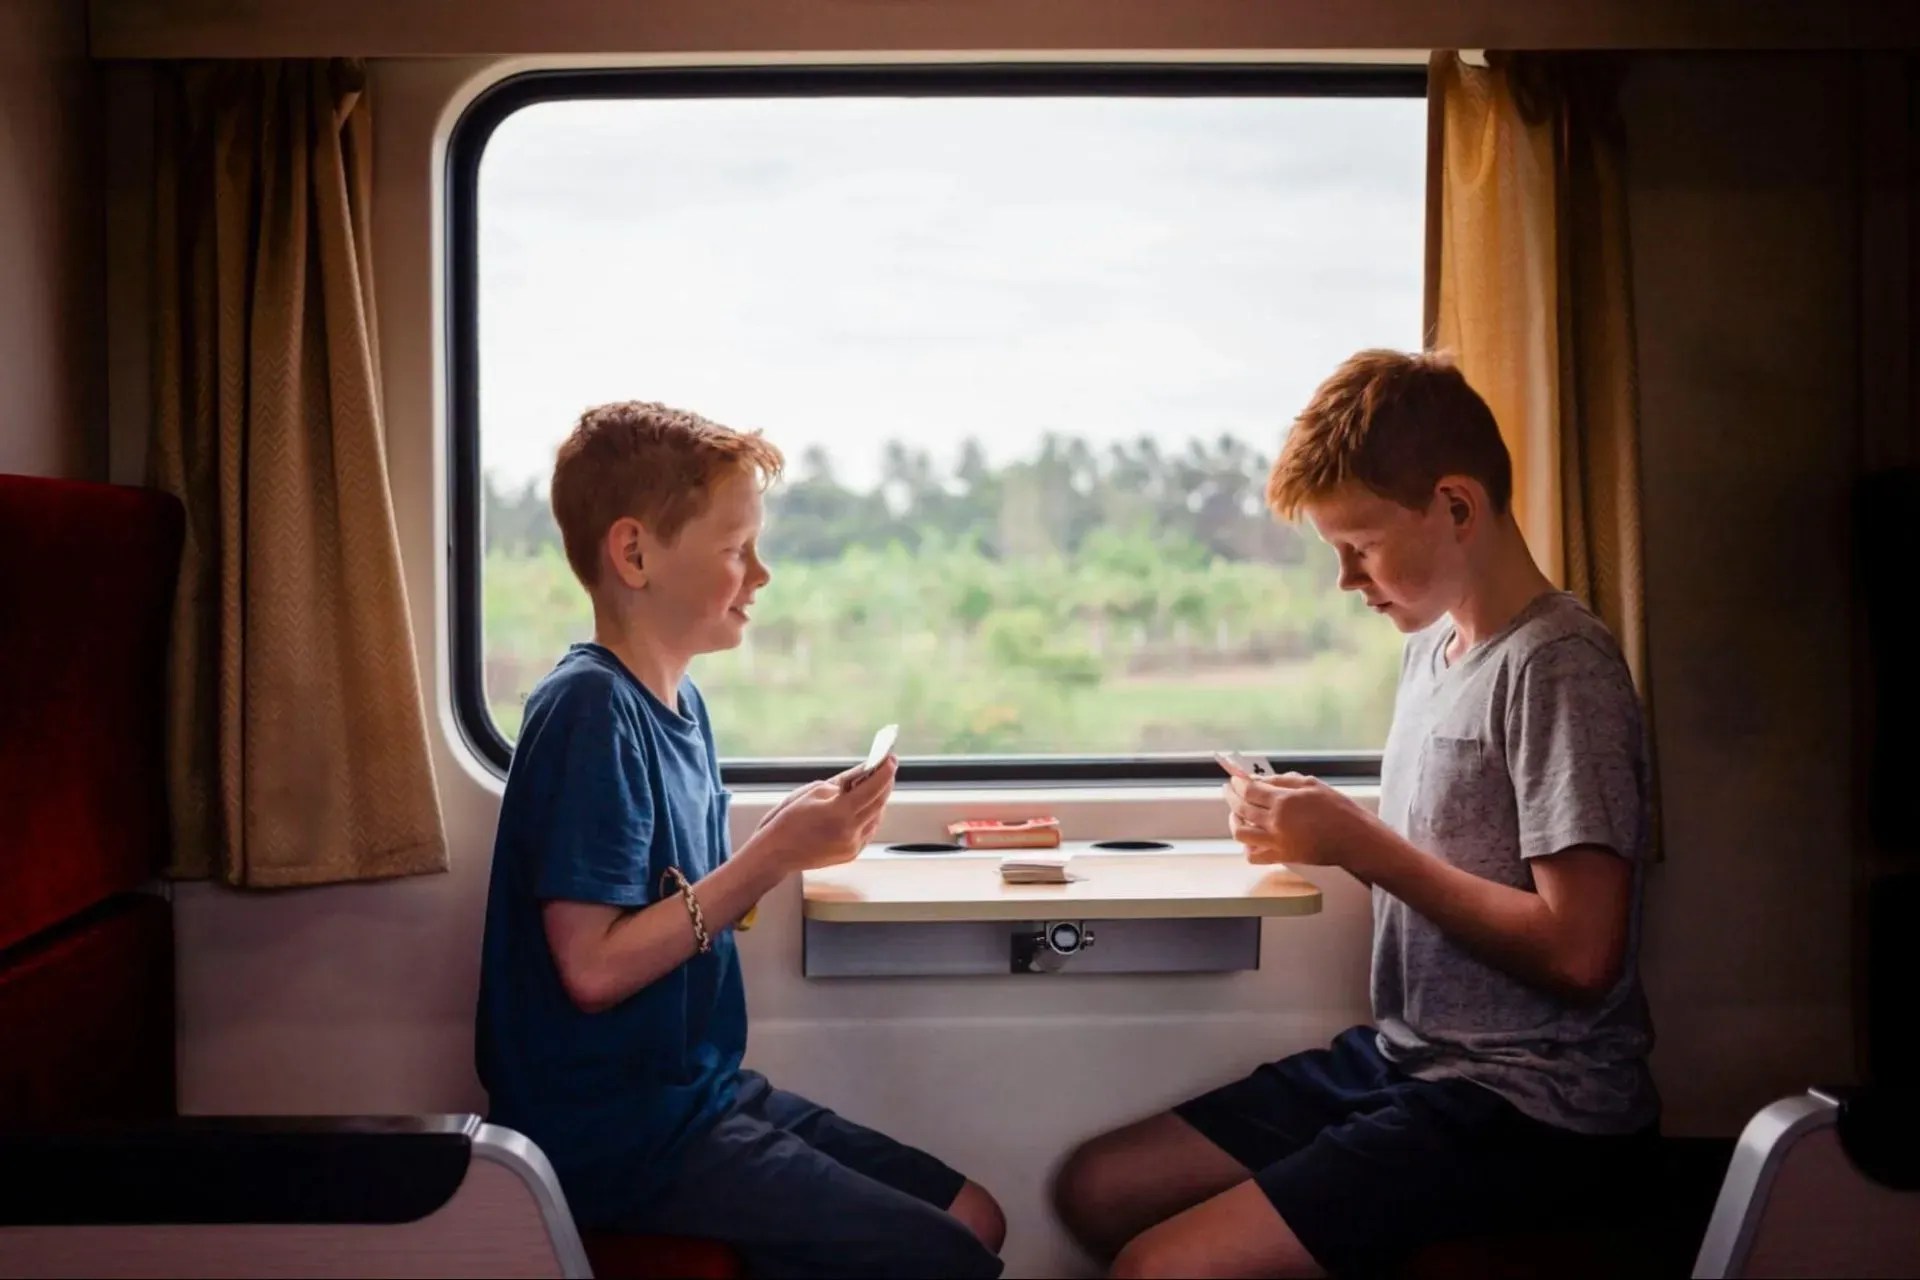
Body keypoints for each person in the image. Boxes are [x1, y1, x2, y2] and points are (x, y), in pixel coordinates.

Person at [1052, 350, 1658, 1278]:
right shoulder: (1434, 650)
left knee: (1158, 1267)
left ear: (1457, 508)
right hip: (1405, 1060)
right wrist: (1296, 826)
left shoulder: (1558, 666)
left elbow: (1582, 953)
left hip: (1530, 1101)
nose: (1345, 581)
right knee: (1101, 1187)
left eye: (1361, 547)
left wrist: (1358, 843)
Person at [476, 401, 1006, 1280]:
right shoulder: (590, 711)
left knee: (973, 1214)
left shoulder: (682, 708)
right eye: (735, 550)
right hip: (616, 1133)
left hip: (698, 1096)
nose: (759, 575)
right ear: (635, 553)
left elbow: (679, 907)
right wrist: (769, 858)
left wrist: (782, 847)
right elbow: (594, 969)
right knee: (947, 1257)